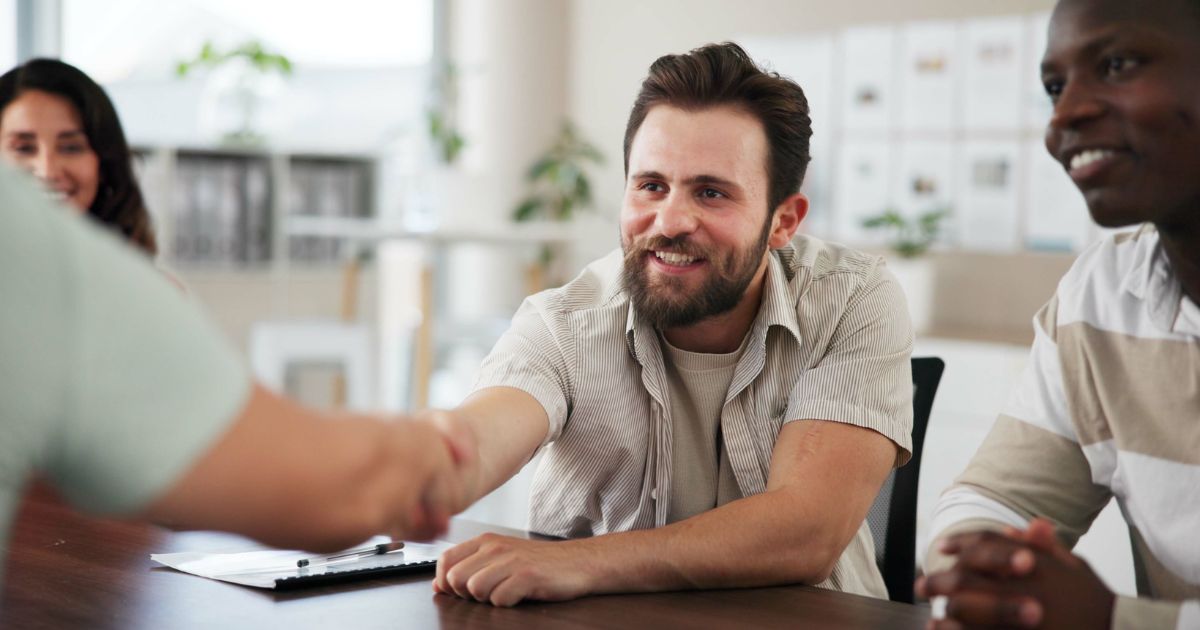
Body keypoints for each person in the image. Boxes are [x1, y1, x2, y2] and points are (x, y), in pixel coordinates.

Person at [428, 42, 914, 607]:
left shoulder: (852, 300)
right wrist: (406, 471)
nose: (671, 221)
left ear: (783, 220)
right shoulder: (564, 322)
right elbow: (476, 441)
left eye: (711, 193)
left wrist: (579, 562)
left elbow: (805, 531)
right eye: (651, 185)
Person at [0, 165, 475, 586]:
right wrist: (422, 452)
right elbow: (333, 488)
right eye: (21, 145)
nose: (45, 170)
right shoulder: (27, 244)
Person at [920, 1, 1200, 628]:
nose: (1065, 115)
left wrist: (1111, 620)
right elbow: (995, 495)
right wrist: (988, 573)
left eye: (1118, 64)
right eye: (1054, 86)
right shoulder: (1101, 293)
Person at [1, 58, 156, 255]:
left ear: (104, 163)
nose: (47, 171)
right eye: (24, 148)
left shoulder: (145, 283)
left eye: (71, 148)